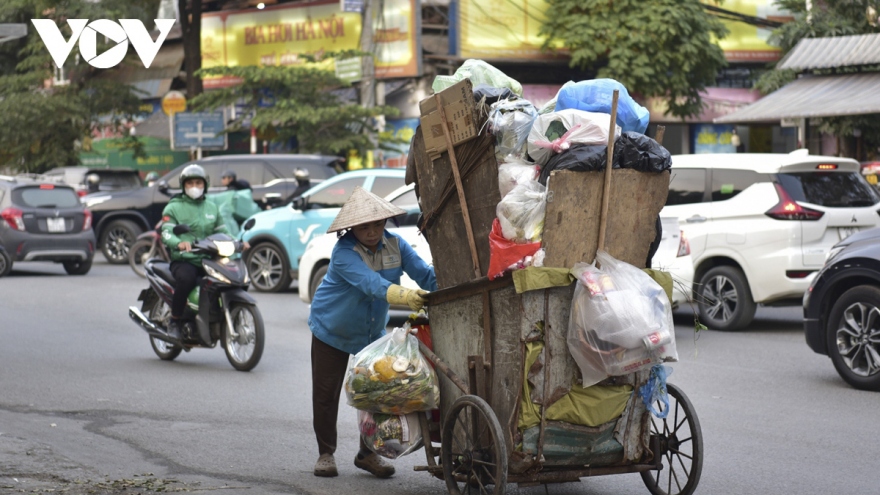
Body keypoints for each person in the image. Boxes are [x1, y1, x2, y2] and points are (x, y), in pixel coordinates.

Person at [309, 186, 437, 479]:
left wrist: (450, 287)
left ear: (384, 223)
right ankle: (325, 453)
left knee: (379, 391)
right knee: (326, 394)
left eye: (377, 224)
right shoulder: (343, 252)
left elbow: (425, 274)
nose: (371, 231)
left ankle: (367, 454)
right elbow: (371, 284)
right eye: (364, 226)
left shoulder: (397, 245)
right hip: (332, 329)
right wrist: (406, 296)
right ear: (352, 227)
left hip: (372, 333)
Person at [160, 164, 248, 340]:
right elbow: (166, 232)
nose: (194, 187)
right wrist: (179, 243)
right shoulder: (174, 207)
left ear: (204, 185)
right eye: (190, 183)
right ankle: (175, 320)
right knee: (187, 279)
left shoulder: (212, 207)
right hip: (185, 260)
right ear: (184, 185)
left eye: (198, 183)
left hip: (209, 258)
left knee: (233, 278)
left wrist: (238, 242)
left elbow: (223, 231)